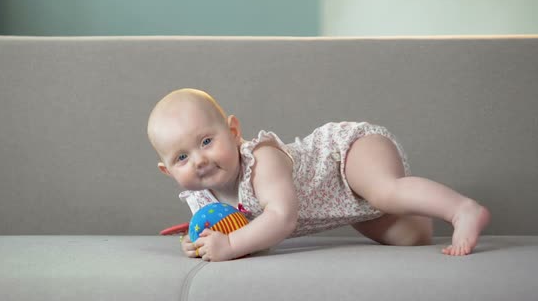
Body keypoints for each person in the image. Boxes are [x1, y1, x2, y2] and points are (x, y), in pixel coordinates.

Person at [147, 88, 491, 261]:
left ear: (234, 131)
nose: (200, 160)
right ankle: (415, 205)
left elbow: (281, 218)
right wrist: (202, 243)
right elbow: (248, 236)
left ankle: (462, 209)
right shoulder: (201, 197)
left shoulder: (262, 160)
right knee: (411, 239)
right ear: (167, 171)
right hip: (343, 203)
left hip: (346, 154)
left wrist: (232, 245)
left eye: (207, 141)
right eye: (182, 157)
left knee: (384, 191)